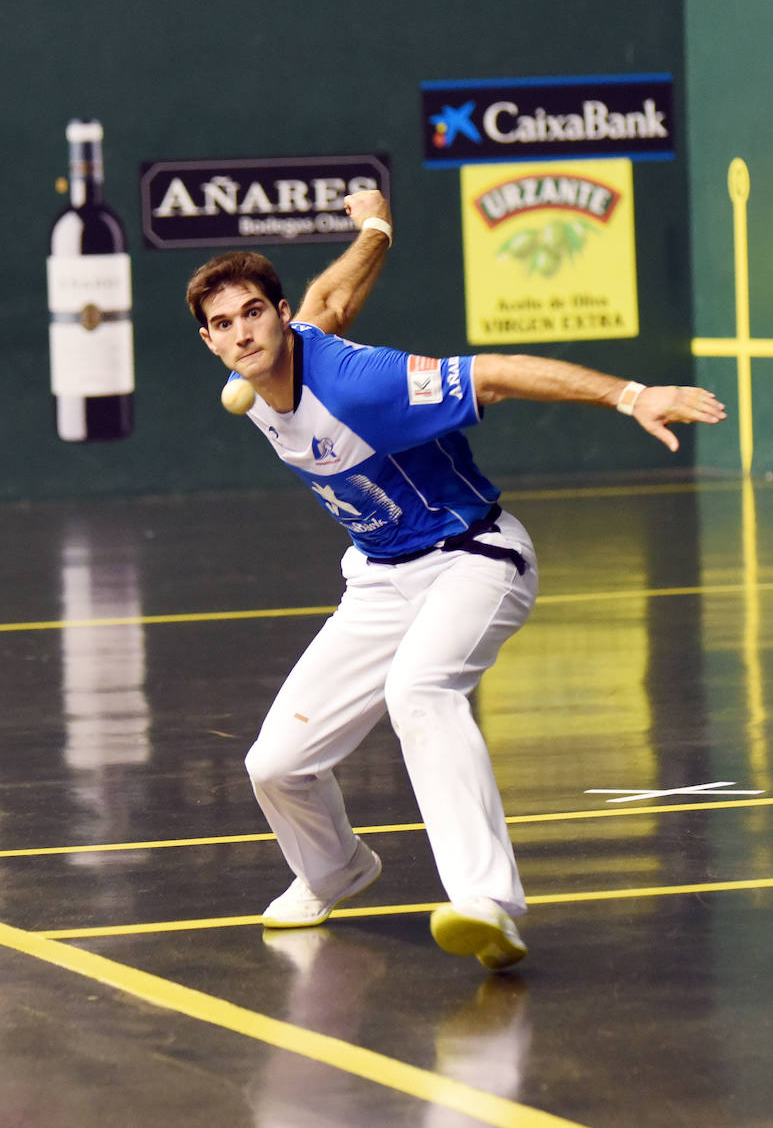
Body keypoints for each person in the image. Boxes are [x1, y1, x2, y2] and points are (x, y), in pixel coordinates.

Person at [186, 190, 726, 969]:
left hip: (474, 555)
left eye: (253, 313)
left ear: (275, 313)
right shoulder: (274, 363)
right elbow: (331, 296)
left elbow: (497, 374)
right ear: (210, 341)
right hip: (379, 578)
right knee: (274, 765)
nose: (243, 332)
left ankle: (487, 902)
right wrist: (375, 228)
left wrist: (631, 394)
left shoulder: (360, 385)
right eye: (224, 324)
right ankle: (334, 868)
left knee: (420, 692)